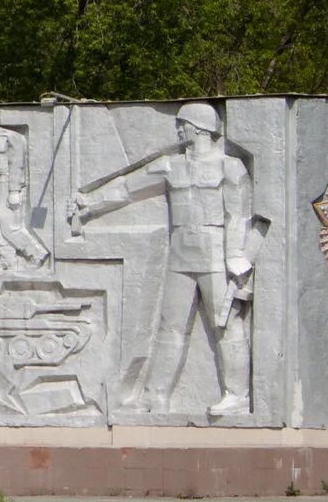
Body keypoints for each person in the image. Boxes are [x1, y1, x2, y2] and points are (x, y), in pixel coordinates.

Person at [76, 102, 264, 417]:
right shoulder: (170, 166)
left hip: (216, 254)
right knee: (171, 327)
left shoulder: (230, 167)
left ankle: (237, 395)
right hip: (181, 252)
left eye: (183, 124)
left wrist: (234, 257)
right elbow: (127, 189)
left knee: (226, 324)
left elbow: (238, 216)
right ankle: (155, 396)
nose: (178, 129)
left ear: (200, 128)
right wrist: (91, 203)